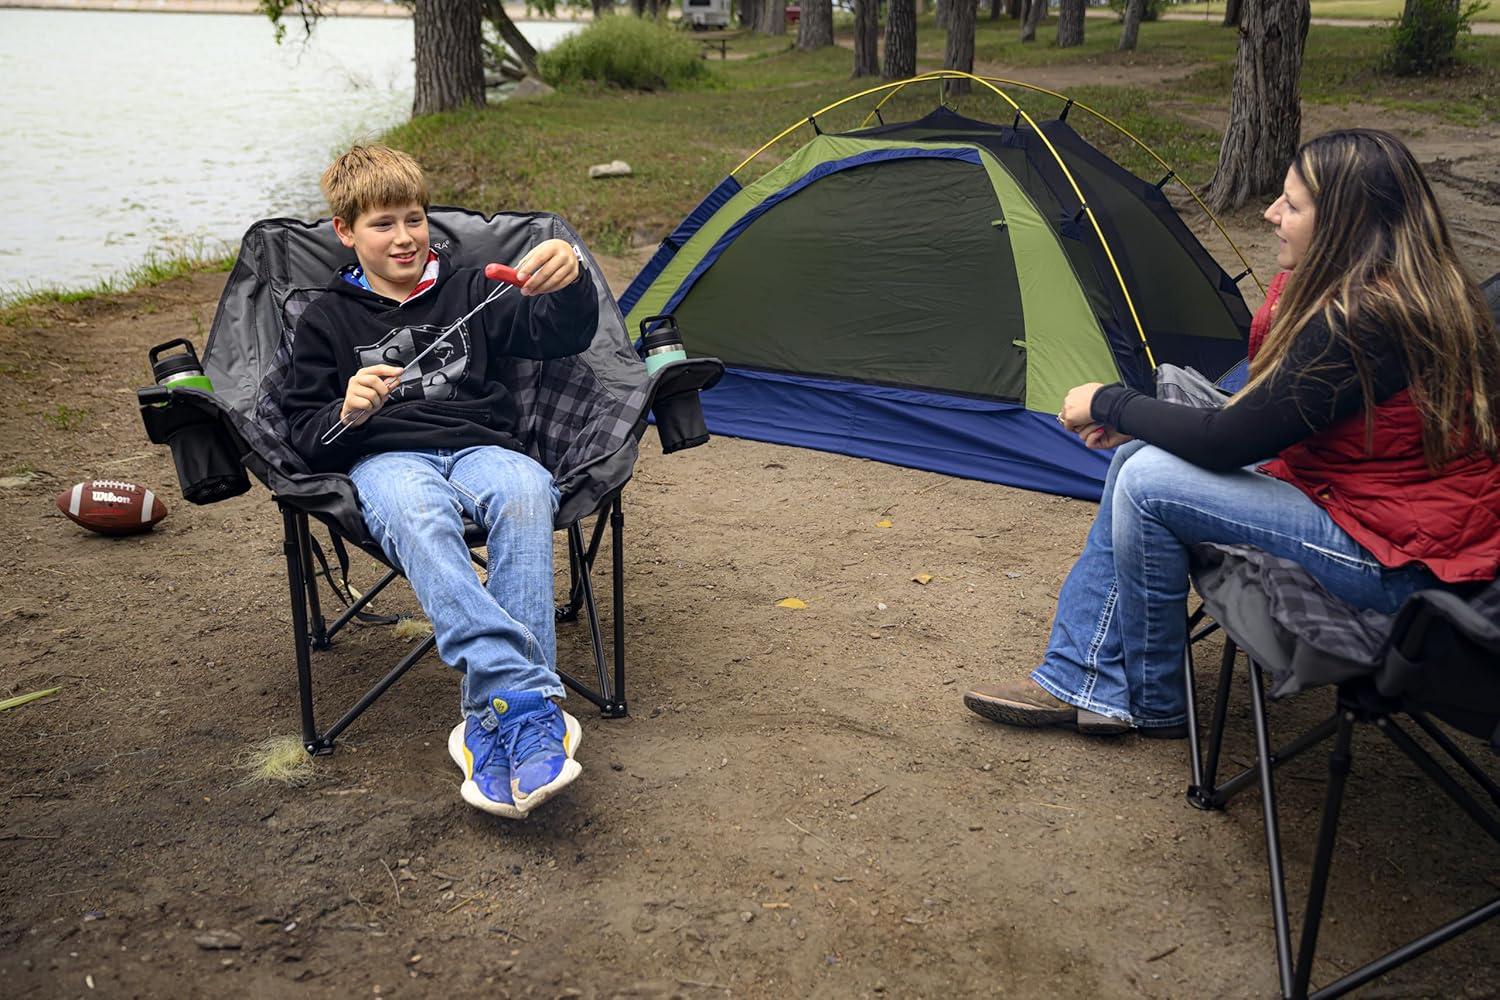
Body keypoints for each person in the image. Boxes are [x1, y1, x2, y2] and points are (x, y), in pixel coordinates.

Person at [963, 128, 1500, 738]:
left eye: (1293, 206)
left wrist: (1110, 401)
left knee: (1146, 480)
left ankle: (1137, 695)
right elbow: (1269, 418)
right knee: (1144, 456)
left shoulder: (1366, 319)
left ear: (1347, 225)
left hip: (1398, 559)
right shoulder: (1397, 289)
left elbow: (1228, 440)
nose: (1271, 214)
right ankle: (1098, 682)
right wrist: (1139, 423)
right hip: (1387, 517)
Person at [281, 144, 600, 817]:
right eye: (382, 224)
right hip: (387, 458)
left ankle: (493, 719)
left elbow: (558, 335)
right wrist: (345, 408)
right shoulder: (325, 320)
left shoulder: (473, 289)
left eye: (414, 219)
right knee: (417, 513)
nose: (404, 237)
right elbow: (302, 436)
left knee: (525, 490)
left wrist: (570, 281)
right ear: (344, 231)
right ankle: (525, 703)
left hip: (483, 445)